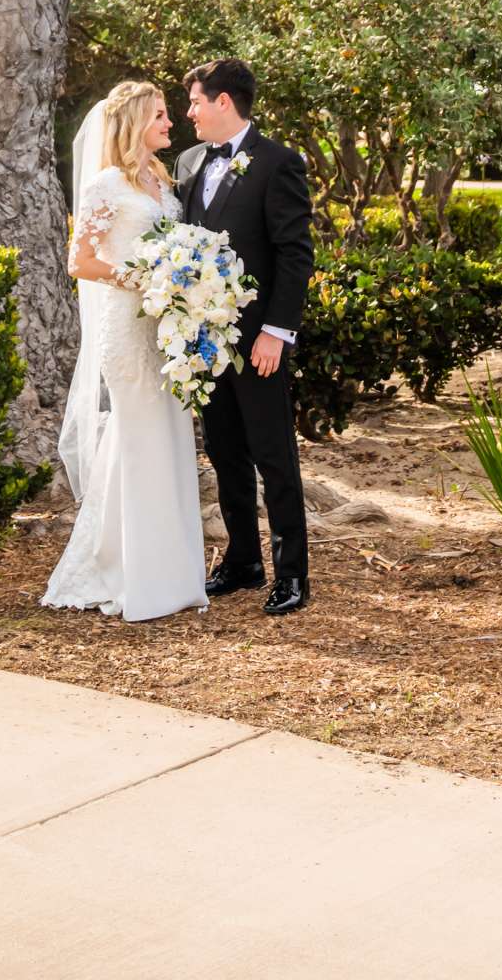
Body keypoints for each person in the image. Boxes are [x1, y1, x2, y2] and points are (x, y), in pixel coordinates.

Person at [42, 79, 208, 621]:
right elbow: (80, 262)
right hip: (126, 330)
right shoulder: (106, 186)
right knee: (140, 439)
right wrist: (142, 278)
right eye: (160, 115)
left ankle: (173, 573)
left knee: (170, 438)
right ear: (136, 122)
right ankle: (131, 573)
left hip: (165, 333)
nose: (170, 123)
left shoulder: (163, 183)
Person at [176, 57, 314, 615]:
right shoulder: (188, 162)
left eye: (194, 102)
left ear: (223, 102)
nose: (189, 113)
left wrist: (277, 332)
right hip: (203, 342)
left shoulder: (277, 162)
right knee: (225, 452)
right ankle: (243, 561)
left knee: (273, 455)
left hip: (258, 340)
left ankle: (292, 576)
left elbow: (294, 253)